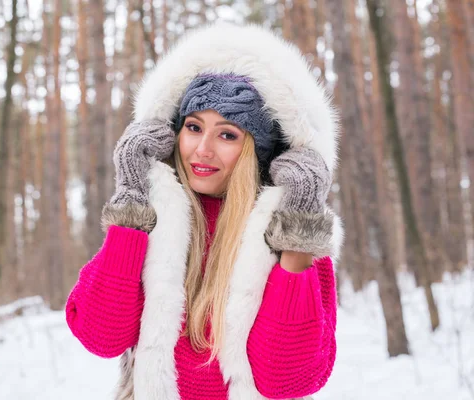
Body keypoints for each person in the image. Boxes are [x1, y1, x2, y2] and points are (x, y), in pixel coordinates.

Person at [66, 22, 344, 400]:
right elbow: (101, 334)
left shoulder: (286, 235)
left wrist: (297, 234)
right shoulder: (155, 218)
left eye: (227, 134)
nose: (202, 149)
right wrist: (132, 195)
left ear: (256, 151)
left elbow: (285, 378)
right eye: (193, 127)